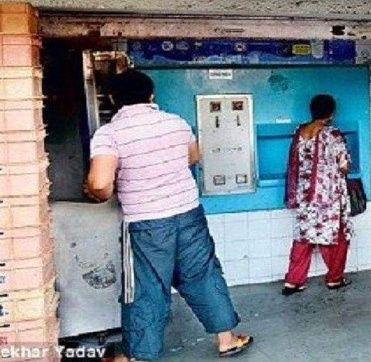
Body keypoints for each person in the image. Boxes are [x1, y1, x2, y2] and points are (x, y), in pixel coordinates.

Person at [84, 70, 253, 361]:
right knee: (203, 274)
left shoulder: (110, 133)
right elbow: (193, 157)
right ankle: (227, 339)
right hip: (189, 214)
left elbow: (100, 183)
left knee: (146, 287)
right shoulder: (176, 122)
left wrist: (100, 192)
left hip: (146, 223)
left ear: (113, 99)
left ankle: (138, 355)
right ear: (151, 96)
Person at [281, 94, 353, 295]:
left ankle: (293, 281)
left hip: (305, 195)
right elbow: (344, 166)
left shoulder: (300, 131)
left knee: (304, 237)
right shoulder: (333, 134)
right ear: (331, 113)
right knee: (336, 236)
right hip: (328, 196)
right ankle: (334, 278)